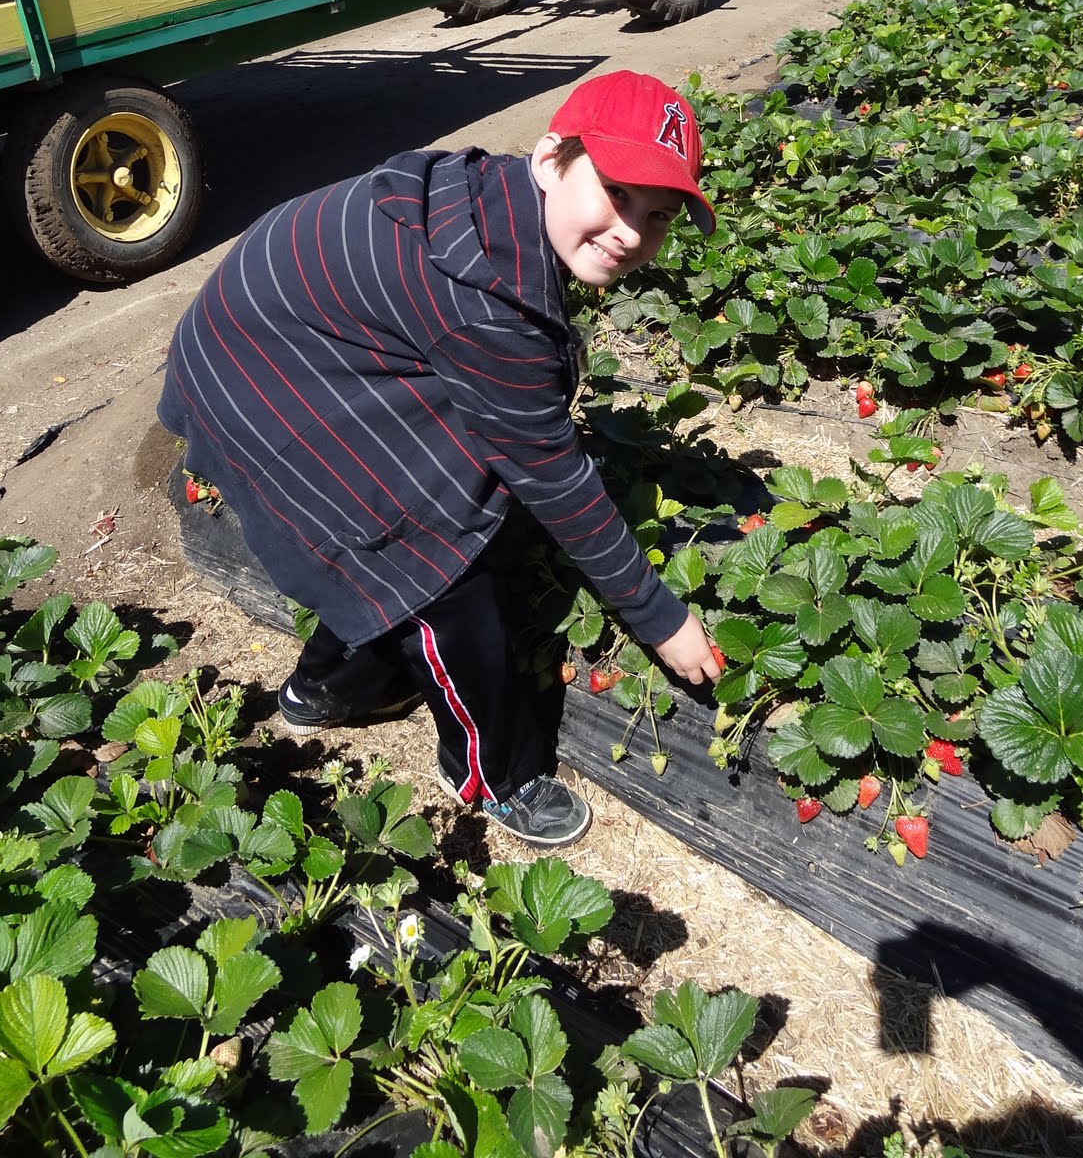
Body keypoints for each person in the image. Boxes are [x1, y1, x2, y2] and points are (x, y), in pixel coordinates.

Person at [157, 71, 723, 850]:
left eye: (657, 216)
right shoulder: (483, 294)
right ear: (554, 155)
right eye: (619, 193)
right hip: (263, 386)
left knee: (437, 506)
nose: (632, 231)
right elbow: (554, 477)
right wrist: (661, 620)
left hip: (266, 348)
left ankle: (324, 687)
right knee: (437, 562)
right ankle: (499, 775)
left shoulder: (487, 205)